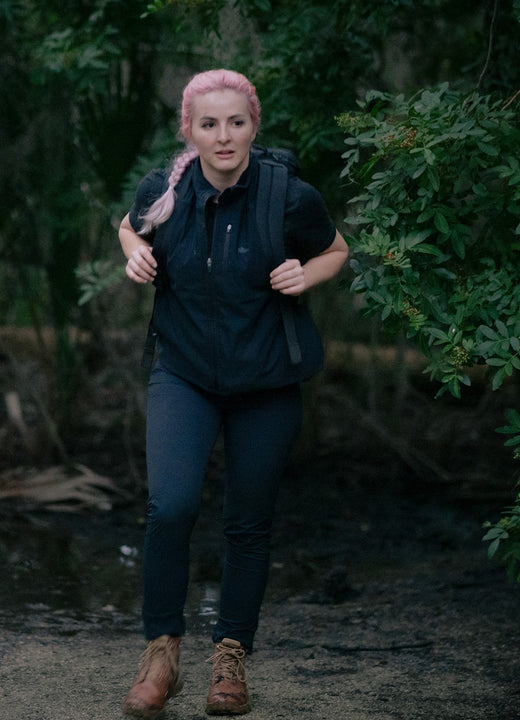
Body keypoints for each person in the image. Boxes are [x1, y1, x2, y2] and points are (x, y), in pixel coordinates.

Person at [118, 69, 349, 718]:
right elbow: (127, 225)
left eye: (237, 122)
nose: (225, 137)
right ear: (188, 130)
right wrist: (135, 249)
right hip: (184, 375)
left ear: (254, 125)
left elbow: (337, 250)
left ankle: (230, 657)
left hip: (268, 381)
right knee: (171, 506)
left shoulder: (287, 196)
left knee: (249, 520)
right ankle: (161, 652)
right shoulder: (164, 191)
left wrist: (308, 271)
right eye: (210, 124)